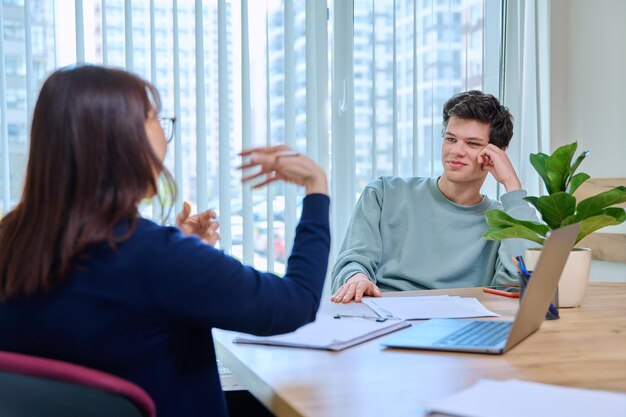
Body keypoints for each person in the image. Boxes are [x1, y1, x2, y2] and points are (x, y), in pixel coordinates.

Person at [0, 65, 330, 417]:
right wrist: (316, 185)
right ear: (121, 139)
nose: (164, 131)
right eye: (154, 117)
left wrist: (186, 250)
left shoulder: (12, 241)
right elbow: (296, 302)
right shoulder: (157, 258)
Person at [331, 90, 537, 303]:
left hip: (461, 326)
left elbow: (518, 283)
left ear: (497, 153)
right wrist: (356, 277)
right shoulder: (384, 193)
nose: (456, 151)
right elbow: (352, 262)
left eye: (472, 143)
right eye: (451, 139)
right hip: (385, 317)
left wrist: (512, 185)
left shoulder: (505, 221)